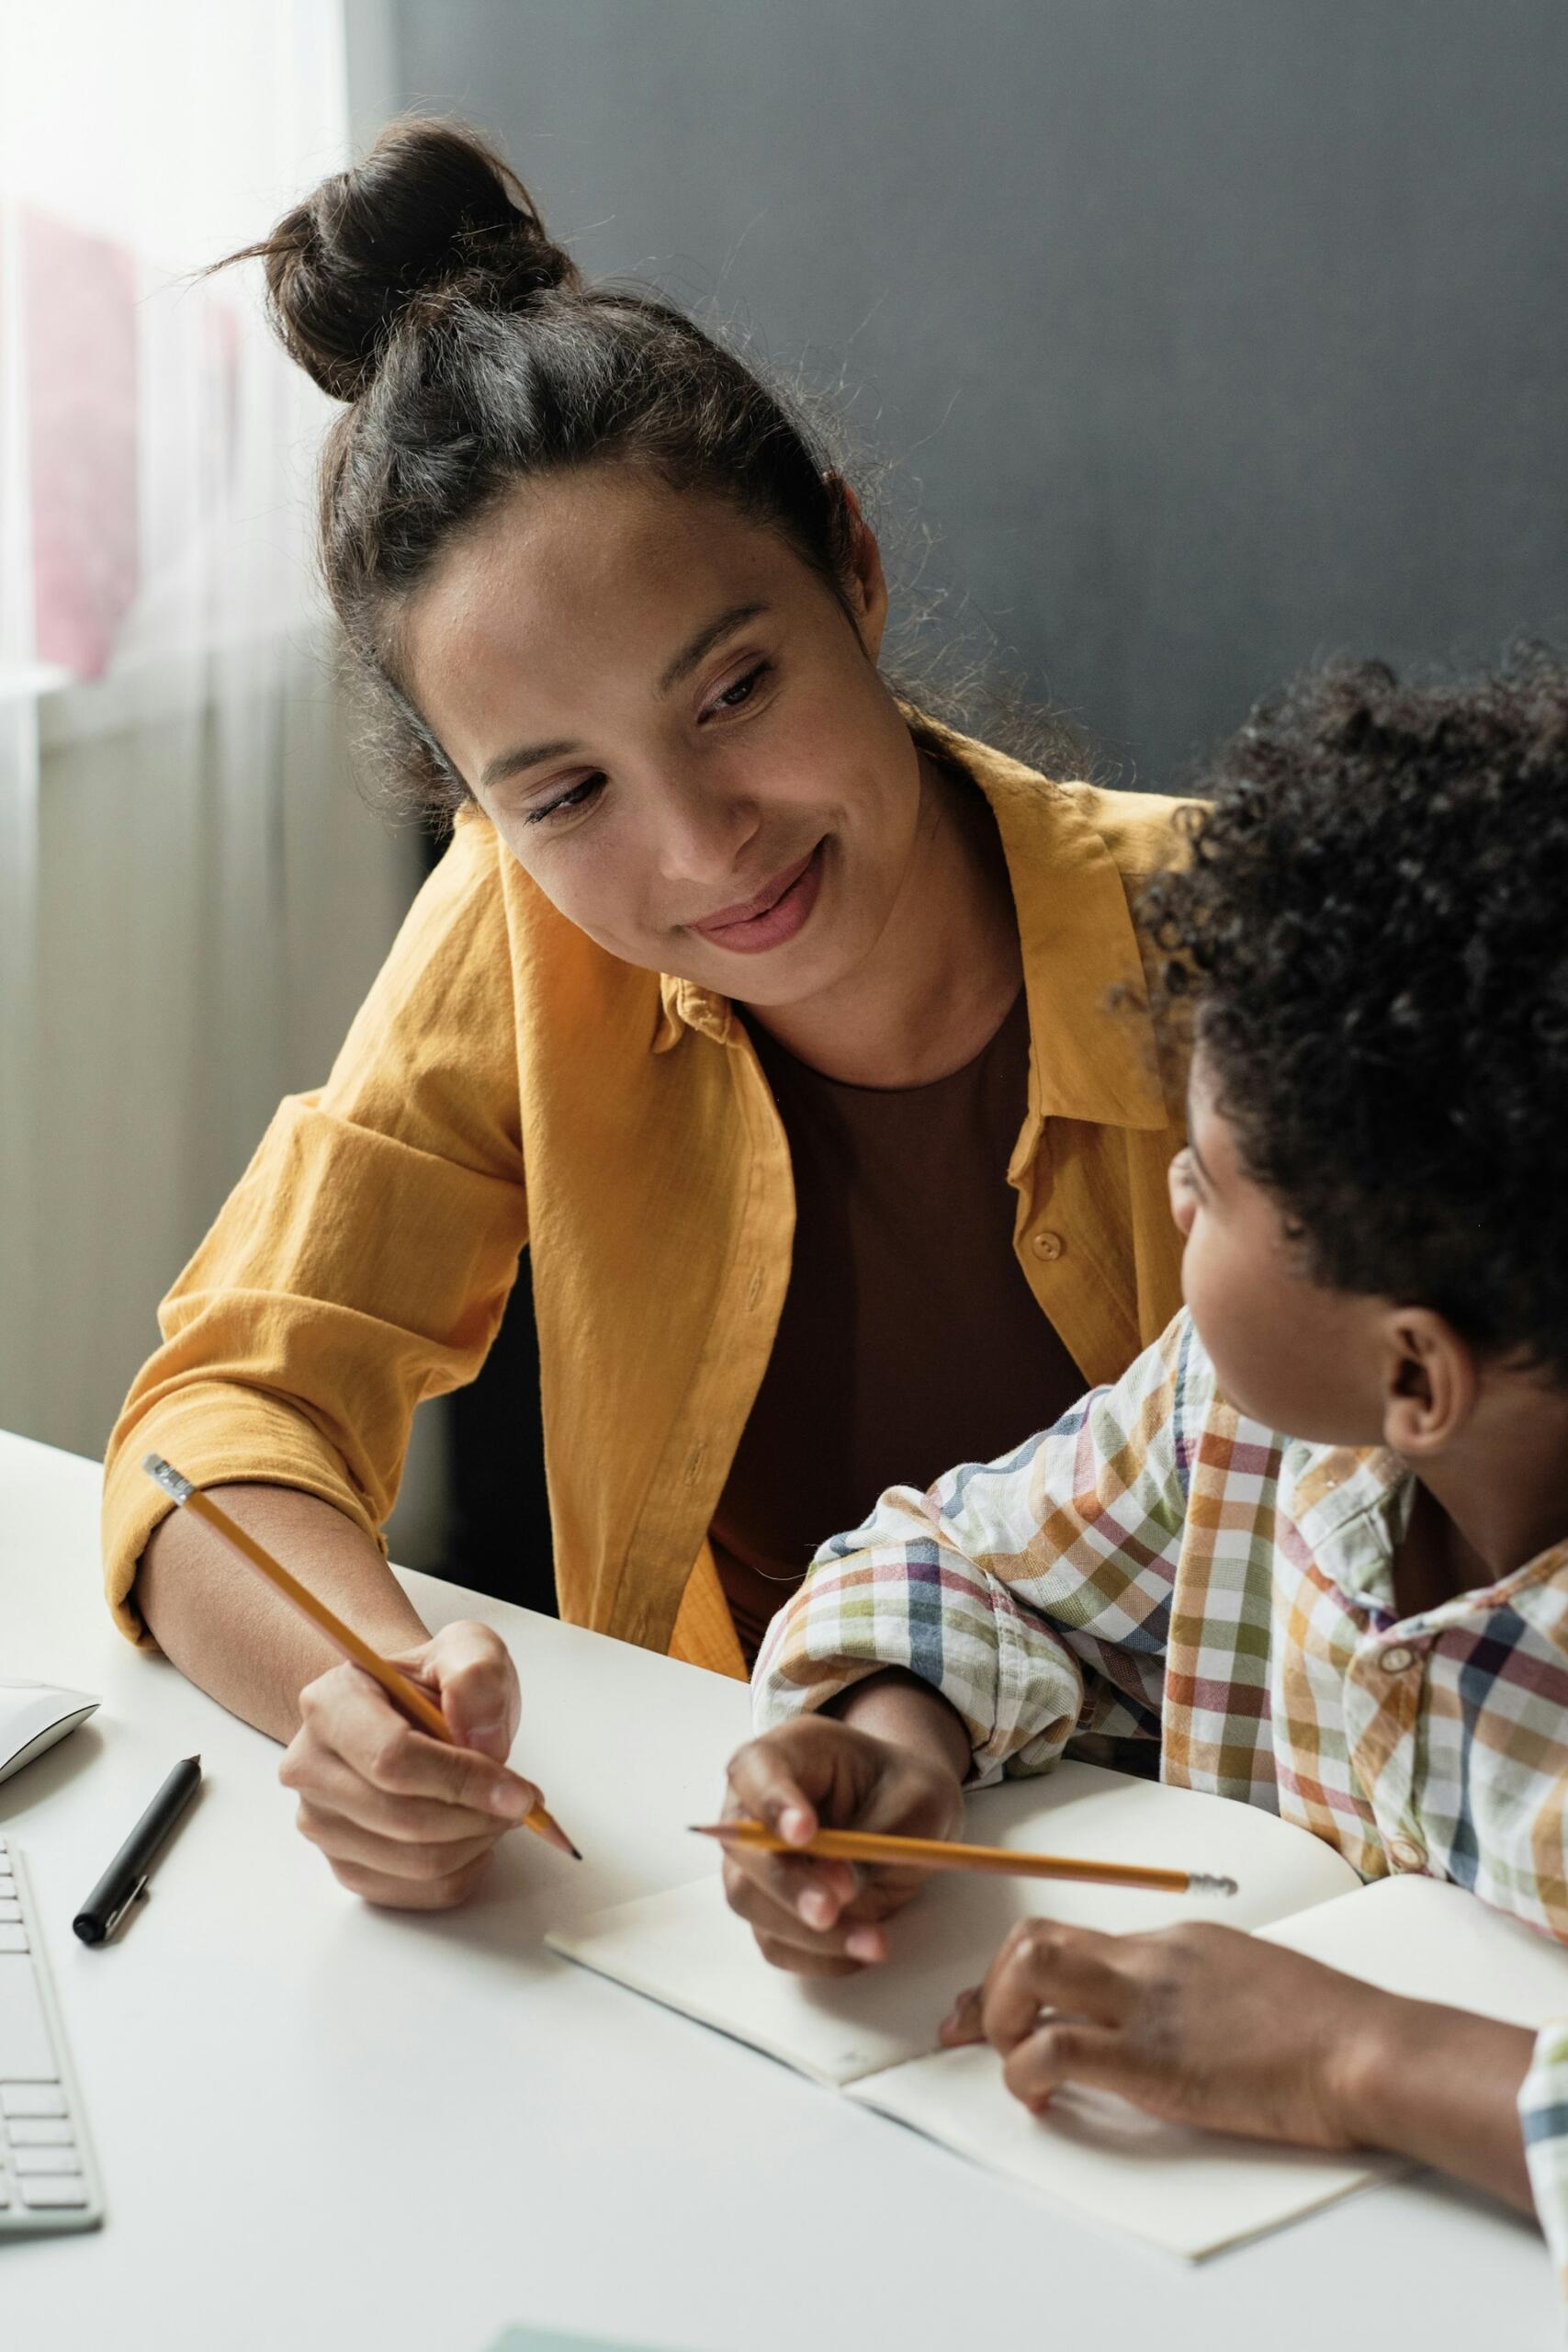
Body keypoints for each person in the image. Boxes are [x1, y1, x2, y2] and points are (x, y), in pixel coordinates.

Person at [100, 120, 1191, 1912]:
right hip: (778, 1884)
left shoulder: (1228, 933)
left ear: (849, 563)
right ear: (477, 806)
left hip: (1229, 1899)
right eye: (562, 791)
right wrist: (362, 1695)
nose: (699, 845)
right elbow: (221, 1406)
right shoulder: (527, 926)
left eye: (733, 688)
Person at [721, 652, 1568, 2272]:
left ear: (1415, 1370)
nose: (1174, 1185)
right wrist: (896, 1732)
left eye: (1223, 1182)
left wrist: (1355, 2058)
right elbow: (961, 1563)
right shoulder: (1242, 1422)